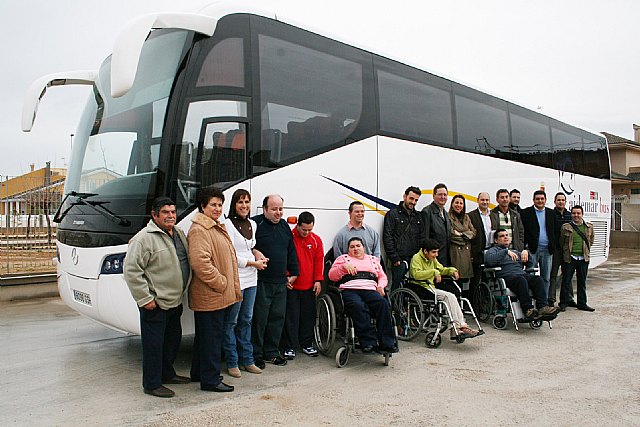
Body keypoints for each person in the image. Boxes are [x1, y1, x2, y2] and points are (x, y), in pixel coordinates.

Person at [123, 197, 192, 398]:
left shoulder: (178, 233)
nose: (171, 216)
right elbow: (131, 270)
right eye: (165, 212)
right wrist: (145, 298)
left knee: (171, 342)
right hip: (156, 303)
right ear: (154, 215)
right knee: (153, 346)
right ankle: (152, 384)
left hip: (175, 300)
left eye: (173, 211)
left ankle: (167, 374)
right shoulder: (144, 238)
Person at [188, 187, 241, 393]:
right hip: (211, 294)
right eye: (213, 204)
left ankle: (198, 373)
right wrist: (221, 283)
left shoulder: (215, 226)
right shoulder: (200, 229)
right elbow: (200, 263)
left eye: (220, 204)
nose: (217, 208)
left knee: (206, 337)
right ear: (203, 206)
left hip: (215, 294)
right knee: (212, 339)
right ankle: (210, 380)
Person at [223, 189, 267, 379]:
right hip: (236, 277)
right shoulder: (228, 224)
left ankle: (247, 360)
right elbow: (231, 254)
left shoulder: (253, 224)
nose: (244, 206)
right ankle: (232, 362)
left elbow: (249, 247)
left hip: (252, 278)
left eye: (247, 202)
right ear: (234, 204)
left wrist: (257, 253)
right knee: (231, 321)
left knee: (247, 320)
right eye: (240, 202)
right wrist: (252, 262)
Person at [252, 195, 299, 368]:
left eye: (280, 209)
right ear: (264, 209)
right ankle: (255, 354)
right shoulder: (255, 224)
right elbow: (245, 246)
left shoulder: (285, 225)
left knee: (277, 319)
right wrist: (255, 251)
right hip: (261, 280)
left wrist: (294, 272)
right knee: (259, 319)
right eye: (274, 209)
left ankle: (271, 352)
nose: (278, 213)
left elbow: (291, 250)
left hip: (281, 282)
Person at [328, 237, 397, 353]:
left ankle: (387, 343)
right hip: (350, 288)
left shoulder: (373, 260)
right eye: (352, 247)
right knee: (357, 306)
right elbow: (331, 276)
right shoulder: (343, 259)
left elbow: (382, 276)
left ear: (363, 248)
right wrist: (343, 267)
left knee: (383, 304)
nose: (355, 249)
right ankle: (368, 342)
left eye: (358, 246)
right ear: (348, 250)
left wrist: (380, 286)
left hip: (370, 288)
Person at [409, 239, 482, 339]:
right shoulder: (416, 258)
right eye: (434, 252)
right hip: (420, 288)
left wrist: (452, 270)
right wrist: (434, 272)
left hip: (430, 288)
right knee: (448, 296)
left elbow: (441, 269)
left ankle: (462, 326)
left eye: (437, 252)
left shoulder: (432, 259)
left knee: (453, 296)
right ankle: (456, 327)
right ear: (425, 251)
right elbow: (416, 275)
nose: (436, 255)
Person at [484, 229, 558, 320]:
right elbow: (490, 261)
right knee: (521, 280)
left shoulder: (515, 252)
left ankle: (543, 307)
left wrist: (526, 253)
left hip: (521, 274)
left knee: (538, 279)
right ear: (496, 240)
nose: (506, 237)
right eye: (502, 236)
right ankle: (527, 309)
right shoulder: (492, 251)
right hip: (507, 277)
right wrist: (505, 252)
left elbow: (529, 264)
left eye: (507, 235)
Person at [284, 212, 324, 360]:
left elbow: (319, 261)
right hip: (292, 286)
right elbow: (283, 257)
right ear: (298, 225)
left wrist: (318, 280)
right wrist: (286, 276)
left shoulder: (316, 240)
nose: (306, 233)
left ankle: (307, 344)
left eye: (309, 230)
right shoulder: (289, 237)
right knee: (291, 317)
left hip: (309, 287)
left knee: (308, 317)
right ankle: (290, 346)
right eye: (304, 230)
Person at [383, 186, 426, 292]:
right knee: (396, 289)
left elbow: (422, 237)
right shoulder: (393, 214)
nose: (414, 202)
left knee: (413, 289)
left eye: (416, 200)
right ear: (405, 196)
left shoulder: (418, 216)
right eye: (411, 198)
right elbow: (387, 237)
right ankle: (393, 307)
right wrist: (395, 258)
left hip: (414, 260)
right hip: (398, 260)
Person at [520, 190, 556, 304]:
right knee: (531, 276)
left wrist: (553, 245)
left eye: (542, 199)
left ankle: (543, 302)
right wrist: (525, 247)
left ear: (545, 200)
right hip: (532, 249)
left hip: (547, 250)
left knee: (546, 277)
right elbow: (523, 231)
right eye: (537, 199)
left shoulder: (551, 213)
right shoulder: (526, 213)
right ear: (533, 200)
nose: (540, 201)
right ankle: (531, 300)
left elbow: (555, 231)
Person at [559, 205, 595, 312]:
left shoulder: (589, 227)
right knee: (566, 281)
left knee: (582, 282)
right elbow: (562, 242)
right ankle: (563, 303)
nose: (576, 215)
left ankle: (582, 303)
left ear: (582, 214)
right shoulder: (566, 227)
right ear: (571, 214)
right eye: (574, 213)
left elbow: (591, 240)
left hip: (583, 258)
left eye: (578, 213)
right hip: (570, 258)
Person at [469, 192, 496, 290]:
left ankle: (487, 302)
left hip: (492, 251)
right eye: (482, 200)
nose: (485, 202)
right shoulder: (471, 215)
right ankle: (474, 303)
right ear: (478, 201)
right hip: (478, 252)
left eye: (487, 200)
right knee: (475, 281)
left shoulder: (493, 215)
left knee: (489, 281)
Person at [549, 192, 572, 307]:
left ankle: (569, 298)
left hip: (567, 250)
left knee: (567, 274)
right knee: (553, 275)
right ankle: (551, 299)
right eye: (559, 200)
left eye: (563, 200)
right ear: (555, 201)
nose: (561, 202)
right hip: (556, 250)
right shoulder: (551, 214)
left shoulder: (569, 215)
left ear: (565, 202)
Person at [448, 194, 476, 283]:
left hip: (467, 254)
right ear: (452, 204)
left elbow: (474, 232)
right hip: (455, 253)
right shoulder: (448, 217)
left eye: (461, 203)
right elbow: (452, 235)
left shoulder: (466, 217)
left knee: (465, 282)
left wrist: (462, 234)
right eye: (456, 202)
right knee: (456, 280)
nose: (458, 205)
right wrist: (467, 235)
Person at [422, 183, 452, 266]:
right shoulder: (427, 212)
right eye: (440, 194)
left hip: (446, 258)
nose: (443, 197)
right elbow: (425, 237)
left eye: (445, 195)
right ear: (433, 196)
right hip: (433, 259)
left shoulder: (446, 213)